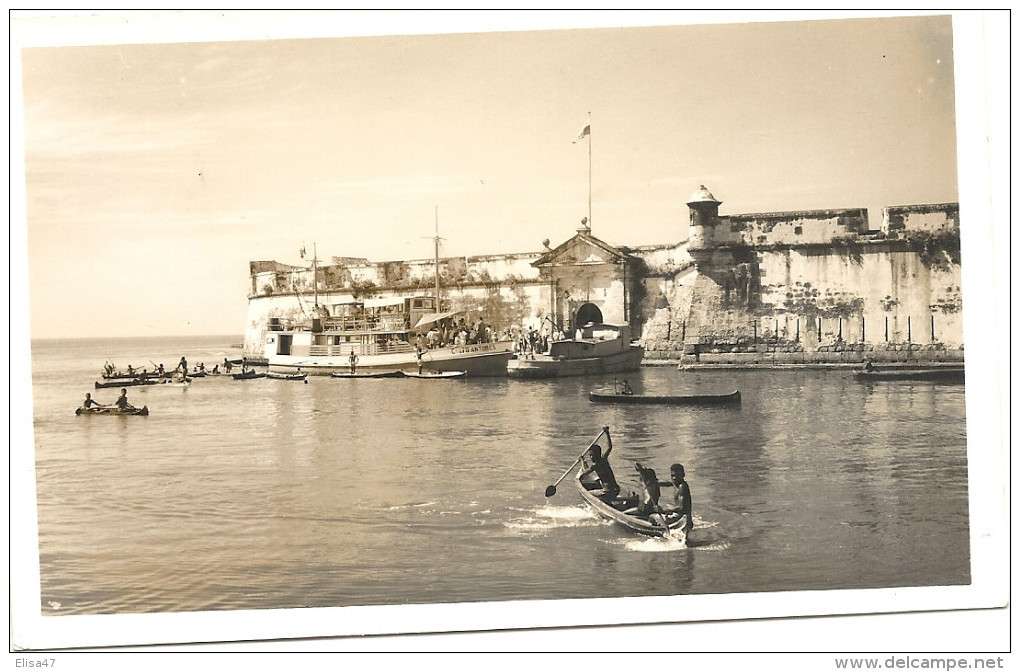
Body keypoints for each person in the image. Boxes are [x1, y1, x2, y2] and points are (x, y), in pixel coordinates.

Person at [579, 428, 621, 502]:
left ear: (597, 454)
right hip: (616, 490)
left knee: (587, 494)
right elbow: (609, 447)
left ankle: (606, 502)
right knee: (599, 482)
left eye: (592, 455)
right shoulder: (604, 459)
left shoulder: (595, 465)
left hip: (608, 492)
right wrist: (607, 433)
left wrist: (582, 461)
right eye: (590, 455)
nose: (591, 457)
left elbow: (584, 472)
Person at [660, 463, 693, 535]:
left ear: (683, 475)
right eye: (672, 476)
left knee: (652, 516)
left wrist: (664, 510)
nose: (674, 478)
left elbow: (681, 508)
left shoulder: (682, 487)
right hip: (679, 514)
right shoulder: (676, 483)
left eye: (677, 476)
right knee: (667, 505)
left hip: (682, 517)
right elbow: (667, 483)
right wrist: (652, 481)